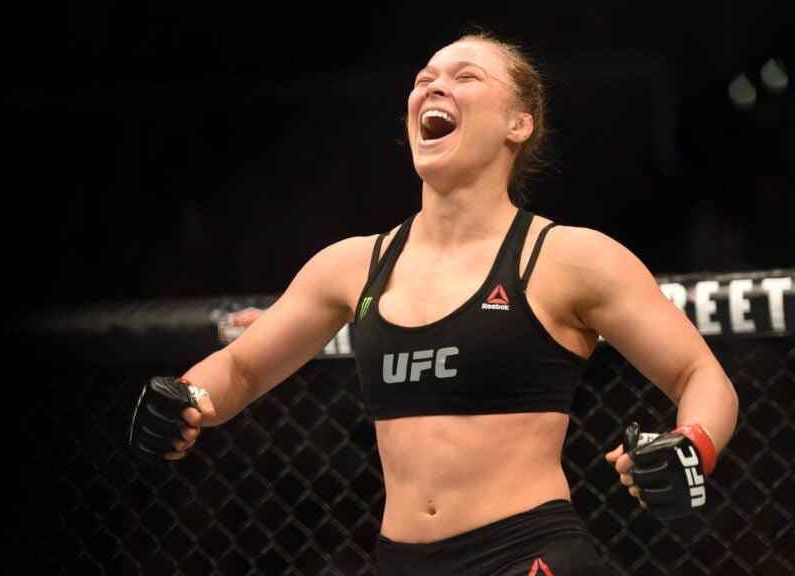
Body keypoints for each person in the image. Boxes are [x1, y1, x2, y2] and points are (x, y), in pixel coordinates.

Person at [129, 30, 739, 575]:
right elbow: (240, 368)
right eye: (424, 79)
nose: (433, 87)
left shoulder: (567, 258)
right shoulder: (352, 265)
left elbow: (700, 374)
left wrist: (692, 444)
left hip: (527, 555)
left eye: (464, 77)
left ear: (518, 124)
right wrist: (186, 396)